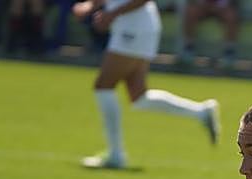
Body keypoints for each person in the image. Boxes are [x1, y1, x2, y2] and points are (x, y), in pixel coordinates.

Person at [71, 0, 219, 169]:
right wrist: (90, 6)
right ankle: (201, 112)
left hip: (134, 27)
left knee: (103, 86)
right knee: (139, 96)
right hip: (135, 26)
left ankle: (115, 154)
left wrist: (111, 14)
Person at [179, 0, 239, 68]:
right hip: (203, 6)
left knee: (231, 16)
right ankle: (188, 48)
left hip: (223, 7)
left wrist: (219, 6)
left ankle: (229, 52)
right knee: (191, 12)